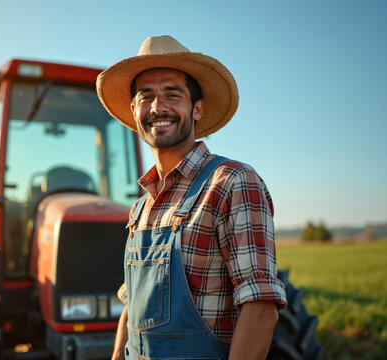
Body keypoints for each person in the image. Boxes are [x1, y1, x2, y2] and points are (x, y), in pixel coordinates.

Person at [96, 35, 287, 360]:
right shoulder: (141, 207)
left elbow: (260, 307)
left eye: (172, 94)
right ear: (134, 110)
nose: (158, 107)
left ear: (196, 109)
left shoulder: (232, 182)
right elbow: (134, 307)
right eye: (147, 97)